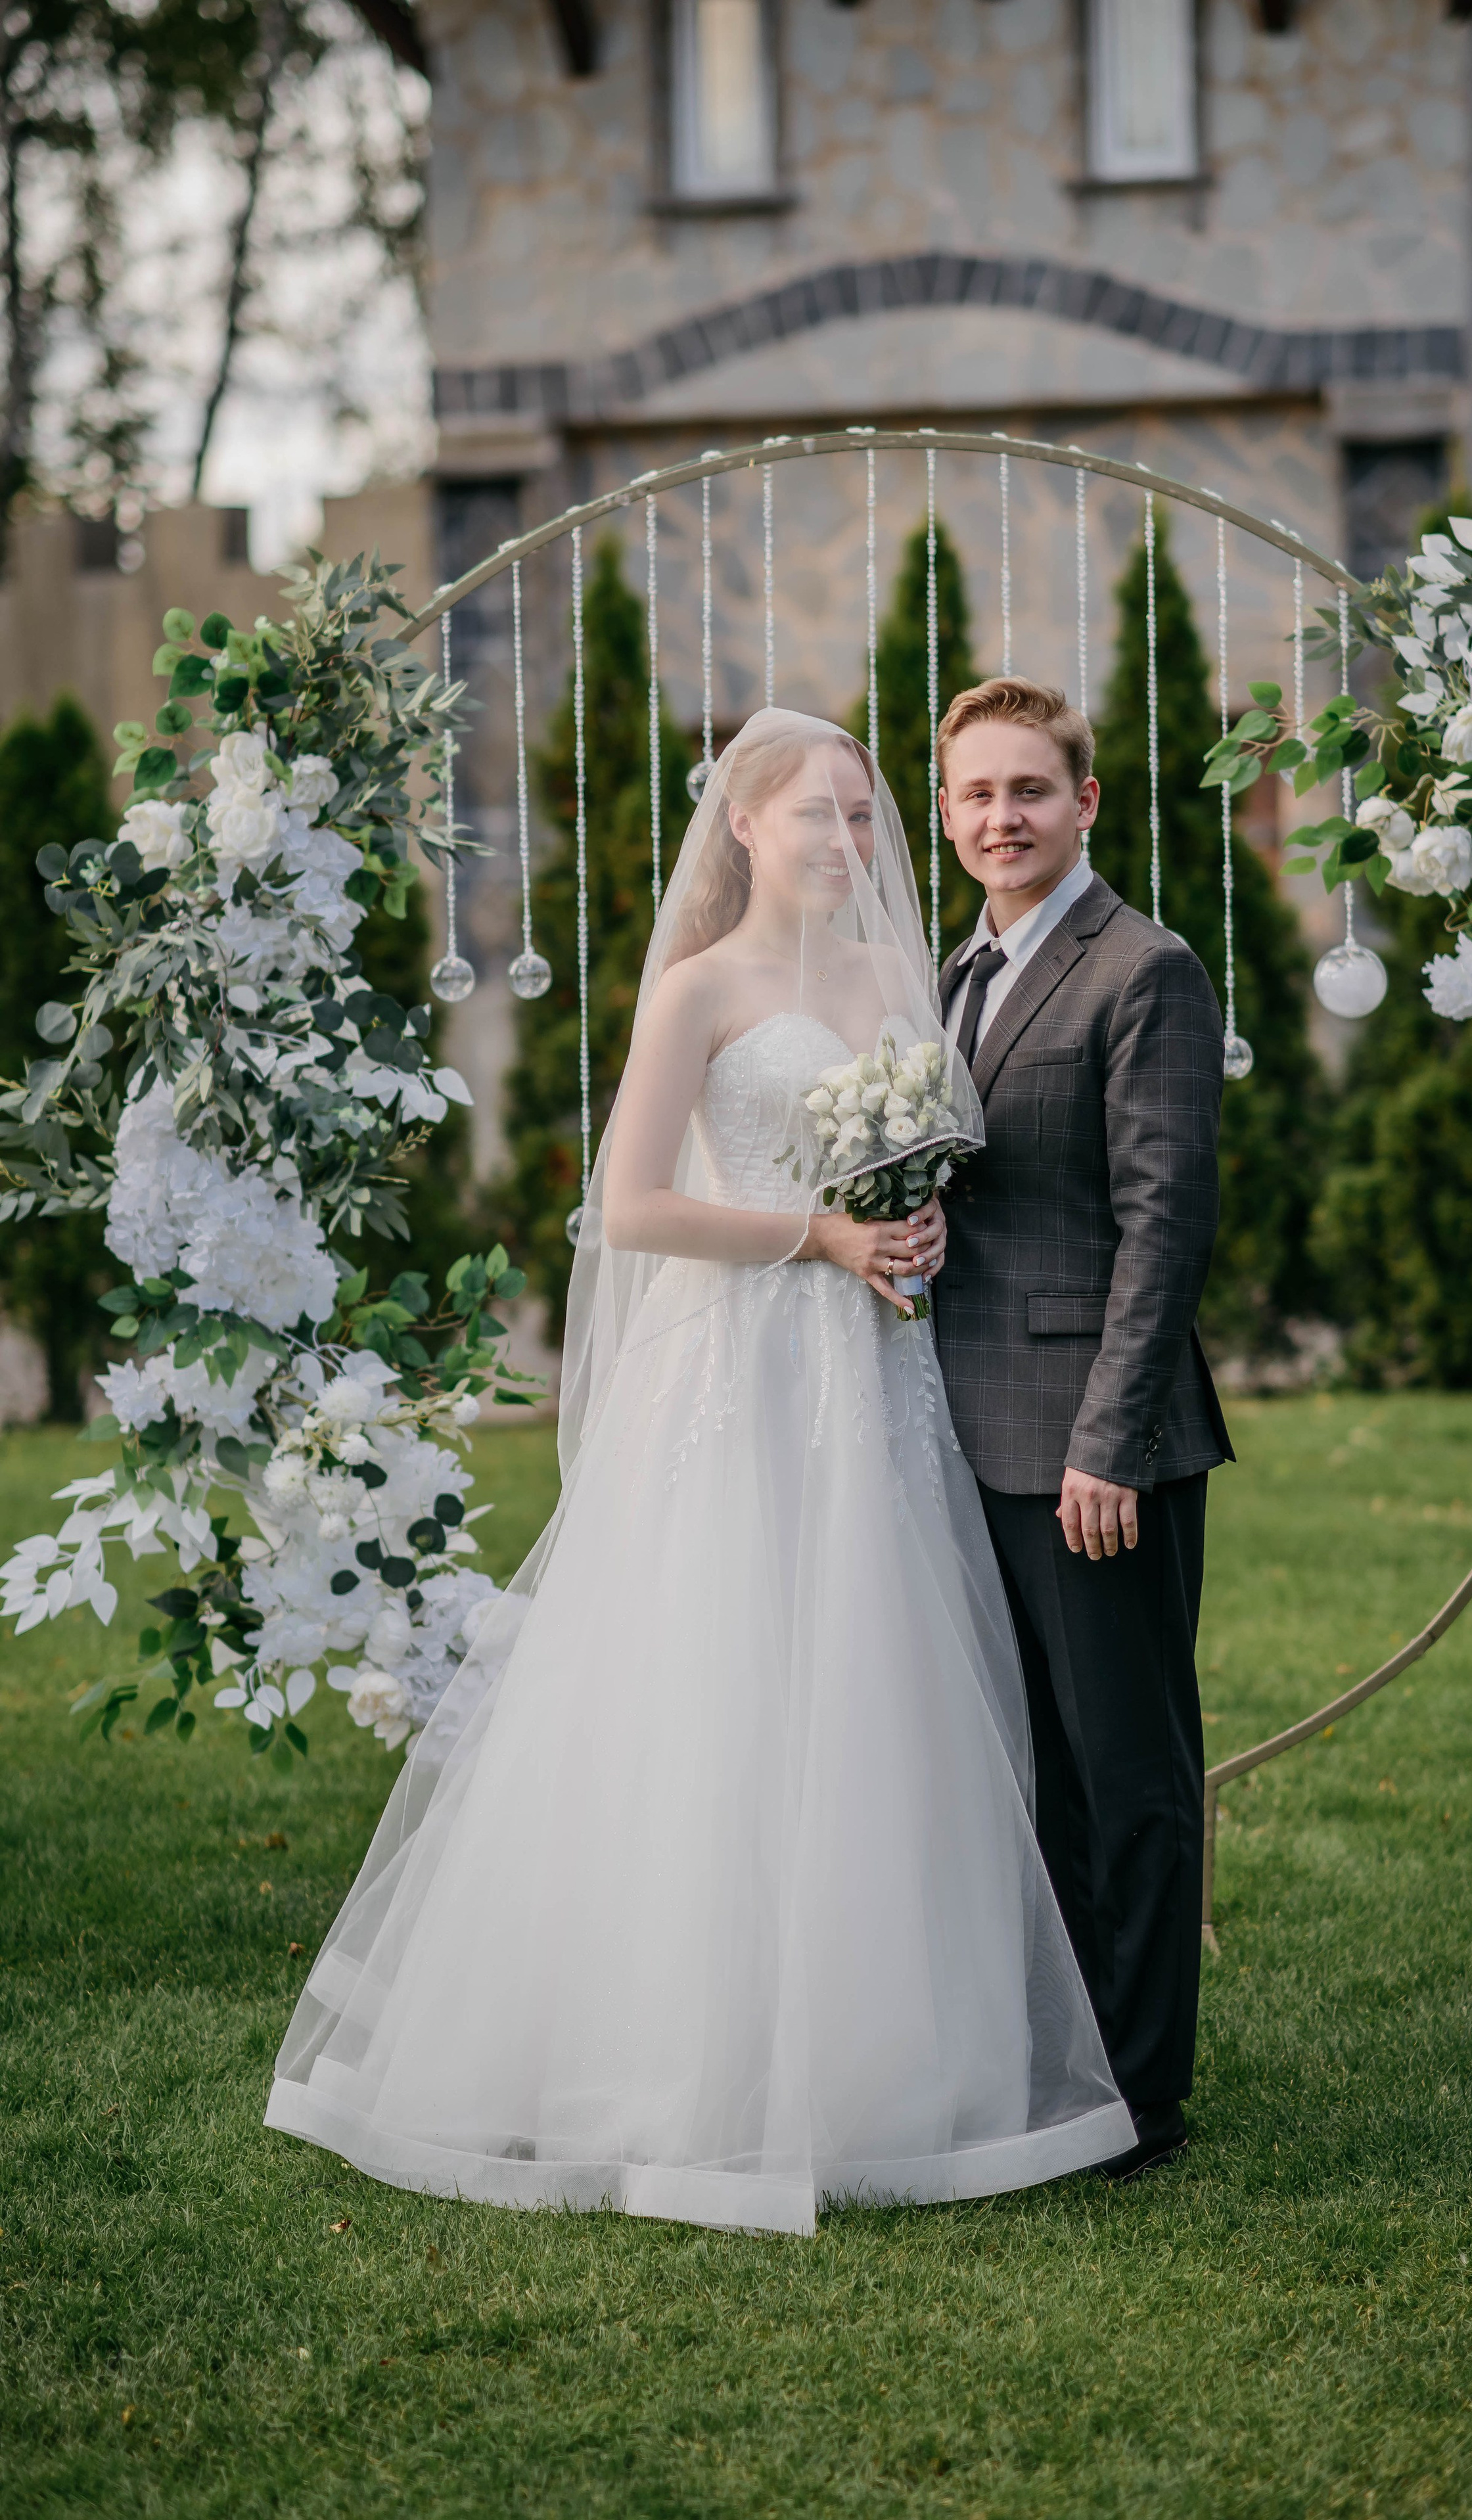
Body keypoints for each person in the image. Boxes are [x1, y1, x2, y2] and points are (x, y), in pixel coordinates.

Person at [266, 709, 1135, 2238]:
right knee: (719, 1682)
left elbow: (926, 1155)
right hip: (739, 1369)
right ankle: (672, 2061)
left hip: (877, 1377)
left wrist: (912, 1223)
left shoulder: (900, 979)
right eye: (815, 816)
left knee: (874, 1682)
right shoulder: (699, 987)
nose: (846, 843)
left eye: (863, 817)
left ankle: (885, 2061)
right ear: (742, 825)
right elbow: (633, 1208)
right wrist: (821, 1236)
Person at [934, 676, 1233, 2182]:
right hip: (959, 1432)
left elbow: (1163, 1224)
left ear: (1085, 802)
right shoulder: (950, 974)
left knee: (1127, 1774)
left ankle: (1141, 2098)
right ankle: (1063, 2069)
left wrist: (1106, 1441)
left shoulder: (1144, 969)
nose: (1003, 817)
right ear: (945, 814)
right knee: (1031, 1775)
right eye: (976, 793)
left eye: (1029, 789)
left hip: (1089, 1449)